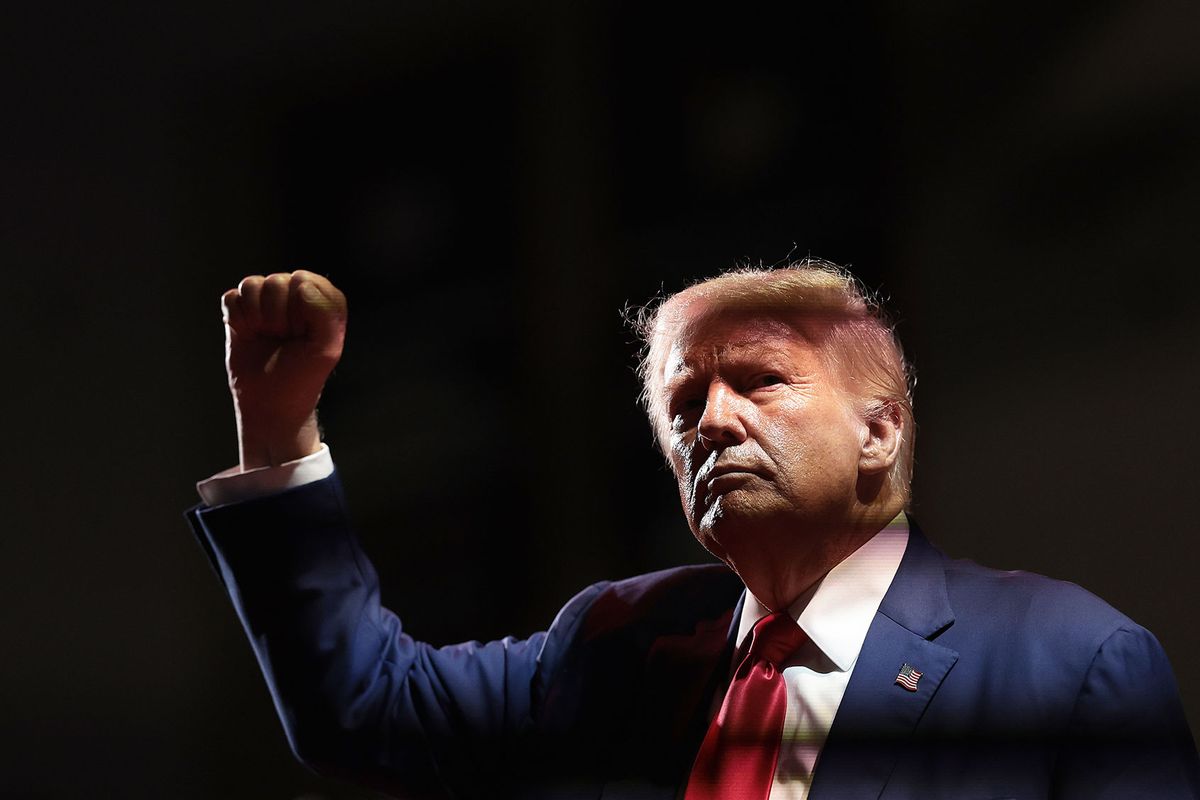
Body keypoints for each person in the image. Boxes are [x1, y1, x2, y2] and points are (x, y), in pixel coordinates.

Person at [188, 262, 1200, 799]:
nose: (712, 420)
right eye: (683, 406)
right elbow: (362, 709)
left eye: (758, 379)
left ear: (879, 429)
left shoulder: (1070, 662)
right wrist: (278, 428)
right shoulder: (612, 647)